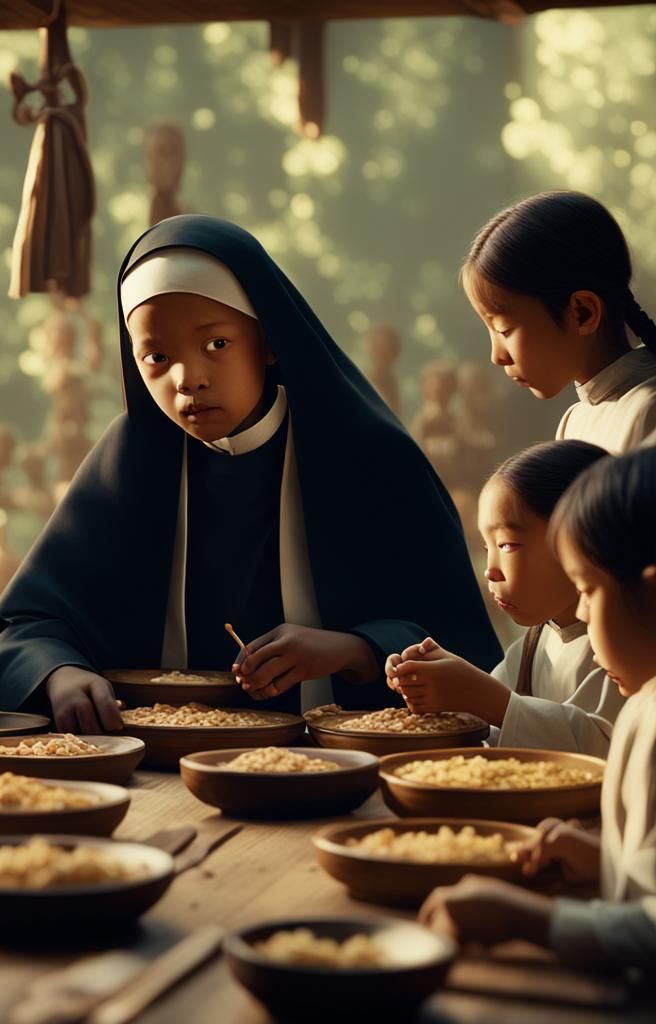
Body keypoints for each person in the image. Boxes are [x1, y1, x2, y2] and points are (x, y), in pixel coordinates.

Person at [0, 215, 500, 732]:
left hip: (337, 762)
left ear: (269, 341)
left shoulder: (368, 456)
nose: (188, 380)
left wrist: (353, 649)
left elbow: (460, 642)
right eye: (157, 357)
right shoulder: (130, 461)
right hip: (161, 761)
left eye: (216, 345)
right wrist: (61, 672)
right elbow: (29, 623)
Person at [420, 447, 656, 973]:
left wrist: (527, 919)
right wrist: (605, 860)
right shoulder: (640, 697)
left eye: (590, 591)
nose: (583, 616)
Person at [385, 440, 622, 755]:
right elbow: (492, 724)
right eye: (487, 548)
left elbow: (610, 751)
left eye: (508, 545)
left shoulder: (625, 646)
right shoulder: (533, 643)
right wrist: (439, 681)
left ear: (582, 538)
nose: (490, 571)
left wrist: (487, 699)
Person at [462, 190, 656, 454]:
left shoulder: (647, 412)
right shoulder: (573, 421)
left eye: (503, 330)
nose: (497, 356)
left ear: (582, 313)